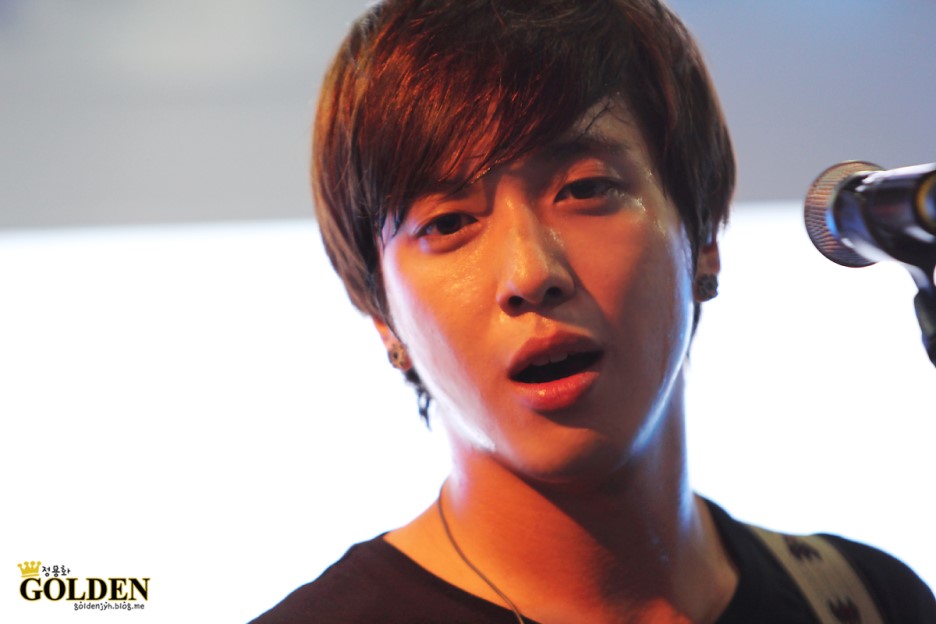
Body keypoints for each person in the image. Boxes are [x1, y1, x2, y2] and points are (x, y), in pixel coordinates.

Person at [251, 1, 936, 622]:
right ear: (381, 313)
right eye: (450, 222)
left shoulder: (867, 603)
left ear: (702, 236)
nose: (530, 274)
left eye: (584, 189)